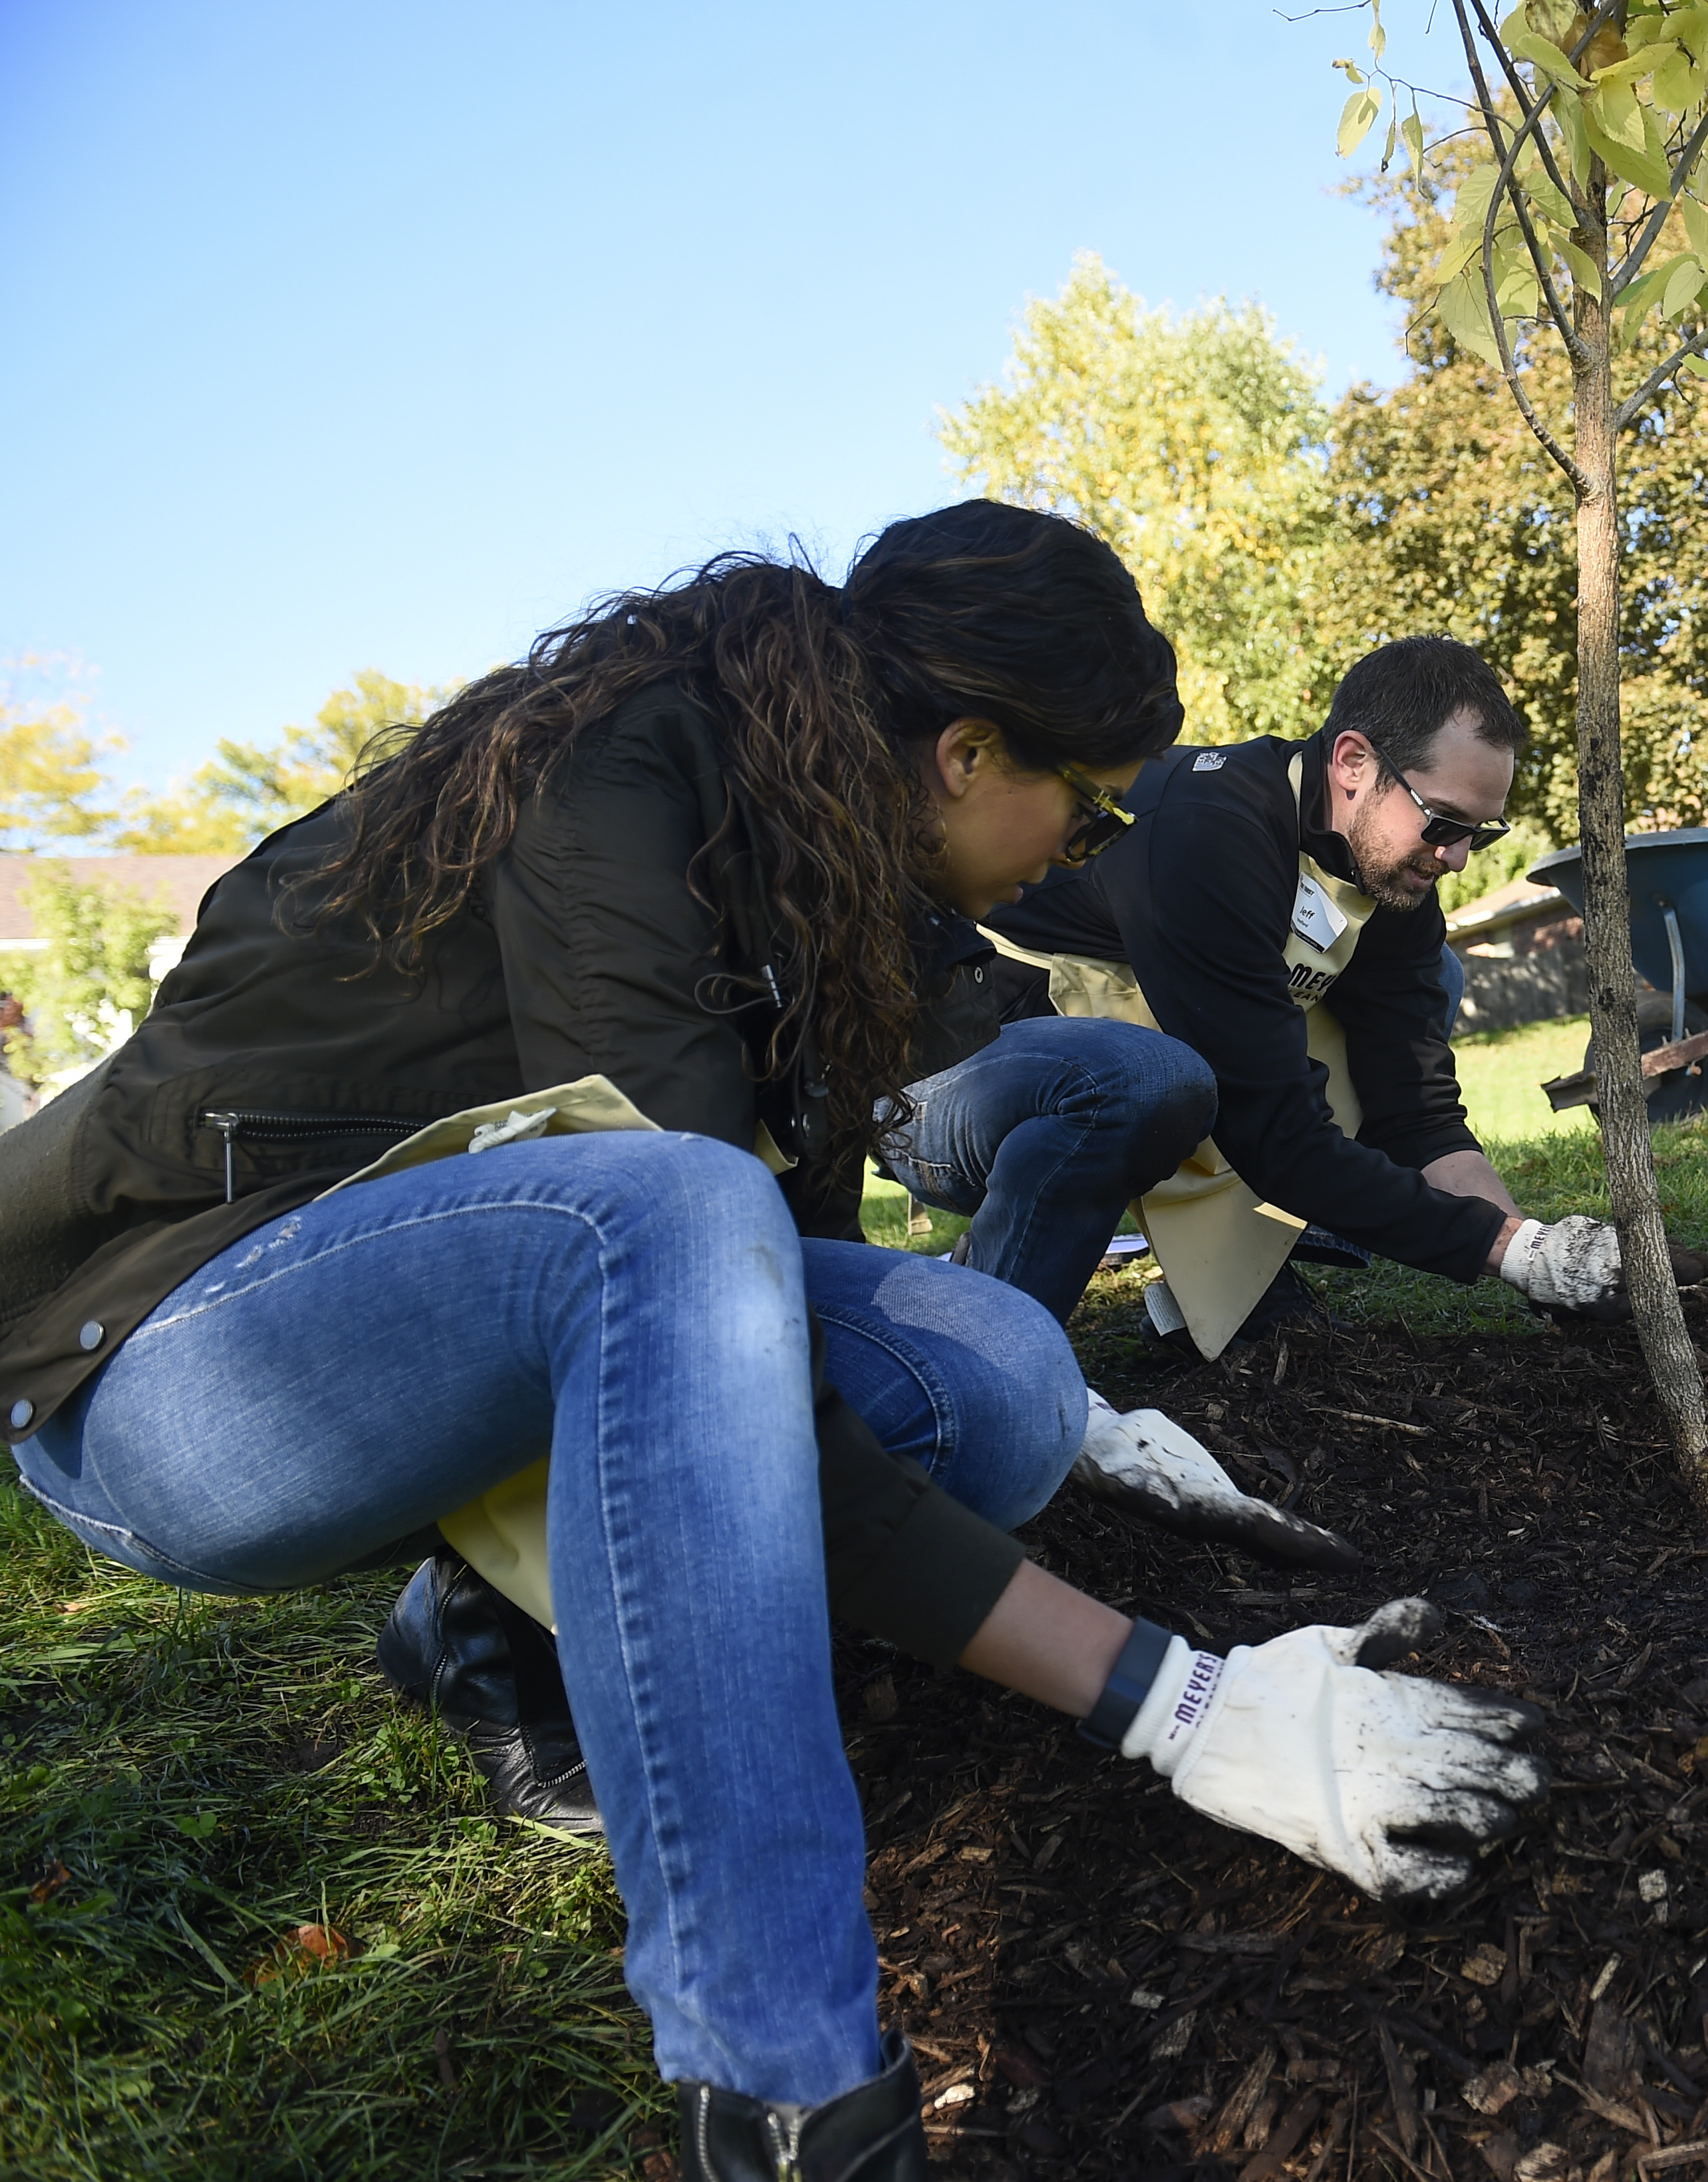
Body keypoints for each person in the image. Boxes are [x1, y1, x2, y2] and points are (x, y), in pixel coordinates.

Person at [0, 503, 1548, 2182]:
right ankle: (793, 2092)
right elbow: (693, 1257)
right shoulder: (617, 791)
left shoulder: (821, 860)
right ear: (965, 751)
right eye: (1086, 802)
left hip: (467, 1314)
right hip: (162, 1361)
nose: (1086, 849)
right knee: (657, 1212)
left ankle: (474, 1617)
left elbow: (779, 1283)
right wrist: (1176, 1702)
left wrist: (1096, 1420)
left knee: (1006, 1386)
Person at [982, 633, 1708, 1357]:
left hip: (1179, 1040)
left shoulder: (1392, 877)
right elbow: (1274, 1130)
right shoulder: (1210, 830)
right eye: (1444, 822)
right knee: (1146, 1082)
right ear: (1354, 763)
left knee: (1434, 977)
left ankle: (1248, 1267)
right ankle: (987, 1338)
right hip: (993, 1058)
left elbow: (1416, 1115)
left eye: (1477, 836)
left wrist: (1542, 1261)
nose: (1454, 857)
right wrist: (1511, 1252)